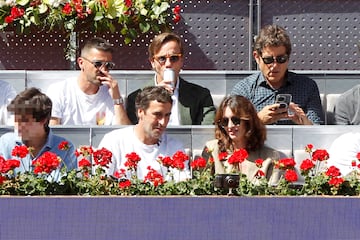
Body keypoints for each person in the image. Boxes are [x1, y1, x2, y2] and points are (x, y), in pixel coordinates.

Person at [231, 24, 324, 125]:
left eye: (281, 59)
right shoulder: (244, 90)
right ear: (257, 57)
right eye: (268, 60)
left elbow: (318, 129)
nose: (274, 66)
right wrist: (258, 121)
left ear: (288, 58)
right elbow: (232, 130)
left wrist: (304, 122)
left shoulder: (307, 87)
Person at [98, 86, 190, 181]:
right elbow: (101, 182)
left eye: (167, 115)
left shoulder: (175, 147)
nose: (163, 122)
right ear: (140, 112)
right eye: (157, 115)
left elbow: (183, 182)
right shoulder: (113, 141)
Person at [126, 32, 216, 125]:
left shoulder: (200, 95)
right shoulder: (137, 97)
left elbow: (206, 132)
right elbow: (135, 133)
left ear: (181, 61)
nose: (168, 64)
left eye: (174, 58)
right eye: (162, 58)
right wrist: (153, 96)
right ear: (153, 62)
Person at [47, 37, 130, 125]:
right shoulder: (60, 91)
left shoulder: (112, 94)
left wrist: (117, 100)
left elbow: (124, 133)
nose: (103, 70)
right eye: (98, 64)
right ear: (81, 63)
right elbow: (52, 131)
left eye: (108, 65)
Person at [201, 95, 283, 185]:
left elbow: (273, 196)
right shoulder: (212, 150)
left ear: (248, 122)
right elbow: (203, 189)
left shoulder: (270, 157)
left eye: (235, 120)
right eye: (225, 121)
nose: (230, 126)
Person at [0, 88, 77, 179]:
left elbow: (67, 187)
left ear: (43, 120)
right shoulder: (5, 143)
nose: (18, 125)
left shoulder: (65, 148)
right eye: (16, 120)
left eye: (25, 120)